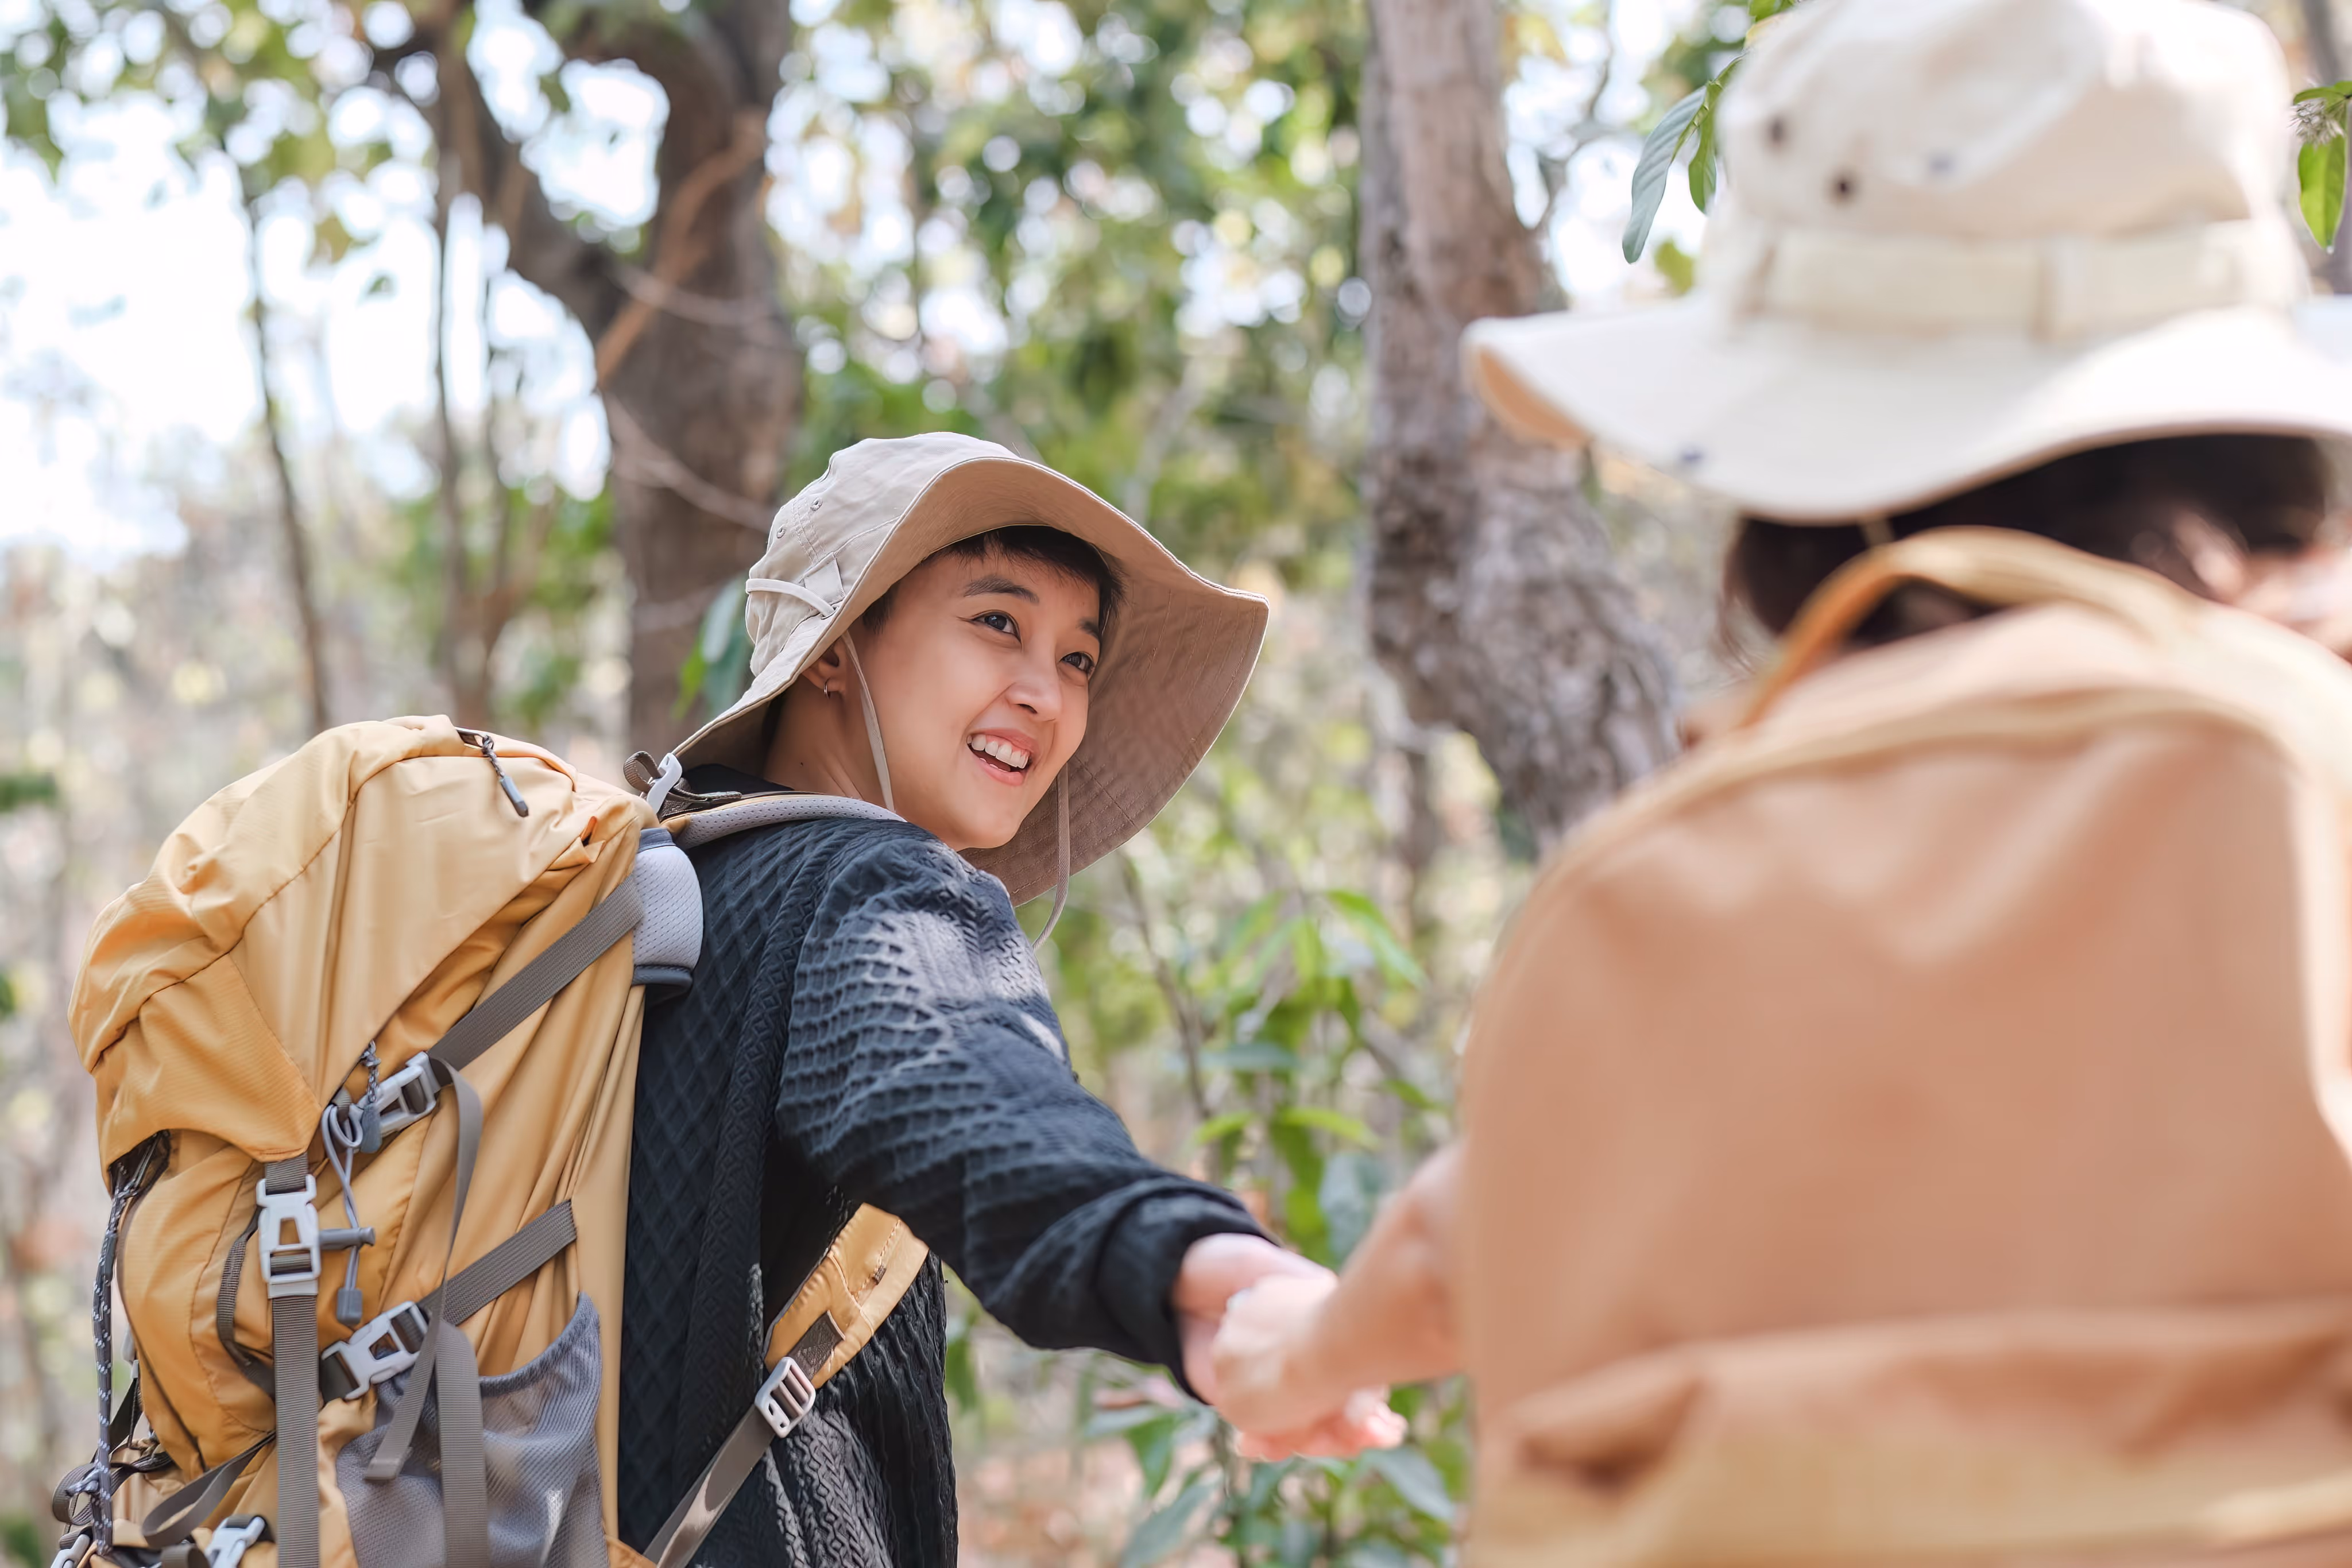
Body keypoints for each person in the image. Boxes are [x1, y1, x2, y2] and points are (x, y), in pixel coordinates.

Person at [1210, 0, 2352, 1560]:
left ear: (1787, 485)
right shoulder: (2306, 764)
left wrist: (1297, 1357)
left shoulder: (1671, 875)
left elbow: (1489, 1219)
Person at [614, 431, 1397, 1567]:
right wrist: (1188, 1266)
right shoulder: (859, 884)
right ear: (836, 649)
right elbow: (954, 1076)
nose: (1046, 695)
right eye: (996, 623)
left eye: (1078, 660)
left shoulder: (664, 885)